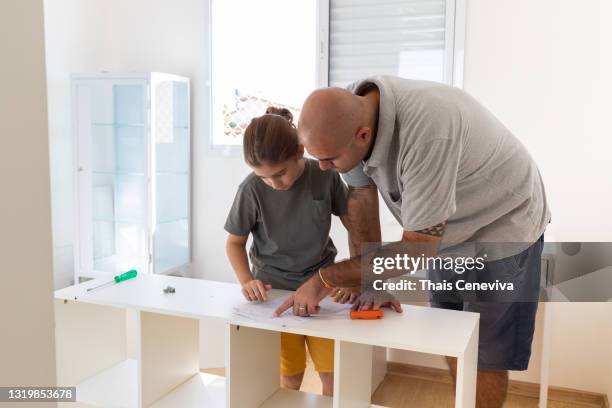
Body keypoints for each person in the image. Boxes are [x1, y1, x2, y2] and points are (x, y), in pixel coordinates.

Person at [274, 76, 551, 407]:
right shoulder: (352, 112)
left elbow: (417, 249)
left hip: (503, 227)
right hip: (448, 233)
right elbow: (361, 195)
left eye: (329, 159)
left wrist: (324, 279)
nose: (323, 167)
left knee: (484, 353)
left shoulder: (428, 133)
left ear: (362, 136)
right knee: (450, 335)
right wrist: (370, 281)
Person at [224, 107, 355, 396]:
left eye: (280, 173)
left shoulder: (325, 176)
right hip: (275, 294)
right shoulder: (250, 190)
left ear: (299, 151)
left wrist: (353, 275)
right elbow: (234, 243)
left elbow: (355, 226)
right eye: (264, 177)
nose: (275, 184)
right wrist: (247, 281)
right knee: (290, 377)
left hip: (323, 291)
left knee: (333, 378)